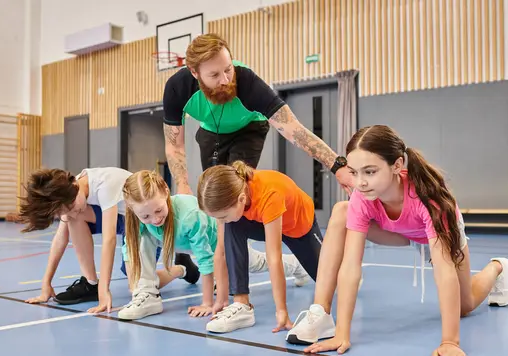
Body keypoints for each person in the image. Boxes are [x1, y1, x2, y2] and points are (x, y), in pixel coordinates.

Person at [285, 125, 508, 356]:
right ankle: (321, 312)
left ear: (397, 165)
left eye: (370, 172)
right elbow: (351, 267)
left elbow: (444, 270)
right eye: (354, 172)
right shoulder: (362, 197)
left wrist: (450, 341)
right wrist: (342, 332)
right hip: (400, 231)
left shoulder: (429, 200)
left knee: (464, 306)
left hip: (440, 232)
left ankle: (498, 267)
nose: (360, 182)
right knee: (341, 211)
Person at [162, 33, 353, 194]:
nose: (225, 80)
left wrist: (336, 165)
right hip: (211, 131)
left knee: (236, 189)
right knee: (215, 192)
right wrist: (183, 186)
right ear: (194, 73)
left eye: (228, 69)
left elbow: (292, 128)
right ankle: (219, 239)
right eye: (214, 75)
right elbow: (174, 145)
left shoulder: (246, 81)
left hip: (249, 128)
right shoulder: (177, 90)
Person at [117, 169, 311, 321]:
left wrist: (207, 303)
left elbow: (207, 260)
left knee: (256, 262)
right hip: (180, 241)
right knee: (140, 240)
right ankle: (148, 295)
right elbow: (129, 251)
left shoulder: (190, 217)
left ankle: (297, 265)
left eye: (159, 210)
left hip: (217, 241)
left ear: (166, 192)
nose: (155, 219)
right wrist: (136, 289)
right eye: (146, 216)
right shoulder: (138, 219)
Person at [17, 167, 198, 313]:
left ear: (75, 184)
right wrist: (46, 282)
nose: (72, 211)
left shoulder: (105, 184)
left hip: (141, 221)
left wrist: (106, 291)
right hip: (121, 219)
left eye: (72, 206)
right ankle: (91, 283)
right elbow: (60, 238)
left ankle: (180, 269)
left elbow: (110, 240)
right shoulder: (70, 195)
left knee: (137, 283)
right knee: (73, 219)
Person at [197, 160, 325, 334]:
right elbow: (221, 250)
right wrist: (221, 300)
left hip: (298, 227)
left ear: (241, 199)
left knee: (330, 280)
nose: (221, 222)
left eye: (223, 217)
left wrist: (281, 311)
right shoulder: (232, 202)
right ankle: (241, 304)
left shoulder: (269, 194)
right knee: (233, 226)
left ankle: (303, 267)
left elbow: (274, 258)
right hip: (261, 221)